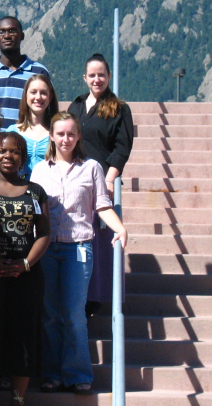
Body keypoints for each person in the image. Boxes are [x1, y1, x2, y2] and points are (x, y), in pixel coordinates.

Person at [29, 112, 128, 395]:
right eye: (60, 134)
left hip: (78, 248)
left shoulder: (92, 168)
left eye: (71, 134)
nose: (66, 139)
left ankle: (77, 374)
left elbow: (102, 205)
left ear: (78, 136)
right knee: (49, 314)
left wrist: (120, 228)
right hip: (47, 249)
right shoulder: (40, 170)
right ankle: (51, 374)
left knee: (73, 314)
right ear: (52, 136)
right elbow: (35, 210)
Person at [0, 132, 50, 406]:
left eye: (15, 152)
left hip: (26, 278)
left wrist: (24, 264)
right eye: (3, 151)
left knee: (23, 339)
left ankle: (18, 401)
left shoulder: (36, 192)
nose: (9, 156)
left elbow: (44, 234)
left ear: (24, 157)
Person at [67, 53, 134, 317]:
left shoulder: (119, 109)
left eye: (101, 75)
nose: (97, 79)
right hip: (76, 180)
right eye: (92, 75)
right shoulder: (76, 106)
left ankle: (95, 297)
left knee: (100, 239)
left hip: (102, 182)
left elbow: (122, 147)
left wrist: (109, 179)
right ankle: (77, 292)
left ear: (108, 77)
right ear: (85, 78)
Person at [0, 16, 50, 128]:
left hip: (27, 141)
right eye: (2, 32)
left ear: (22, 36)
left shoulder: (39, 72)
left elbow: (49, 109)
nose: (7, 36)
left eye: (12, 31)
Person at [5, 74, 58, 178]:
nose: (38, 97)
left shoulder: (58, 133)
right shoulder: (12, 131)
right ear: (26, 95)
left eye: (43, 93)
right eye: (33, 92)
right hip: (19, 191)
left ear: (50, 97)